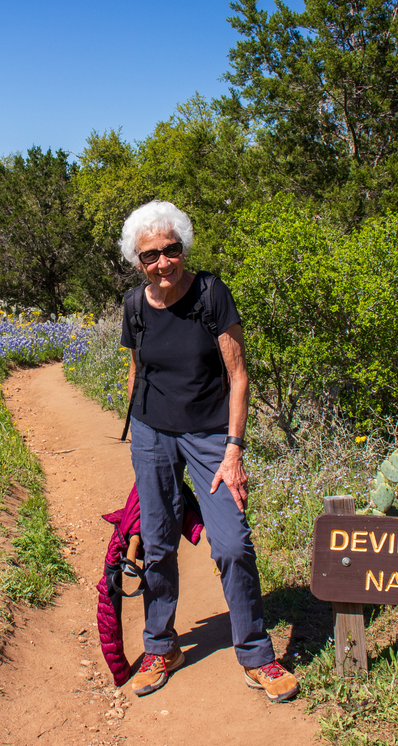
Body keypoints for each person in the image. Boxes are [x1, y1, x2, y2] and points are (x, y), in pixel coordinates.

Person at [118, 200, 298, 703]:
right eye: (150, 255)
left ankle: (257, 654)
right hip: (153, 434)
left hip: (210, 435)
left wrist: (233, 450)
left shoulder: (211, 293)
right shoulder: (134, 305)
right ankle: (161, 646)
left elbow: (238, 374)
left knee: (232, 542)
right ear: (138, 262)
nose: (162, 263)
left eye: (170, 250)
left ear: (183, 247)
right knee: (155, 543)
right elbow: (137, 369)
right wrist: (138, 439)